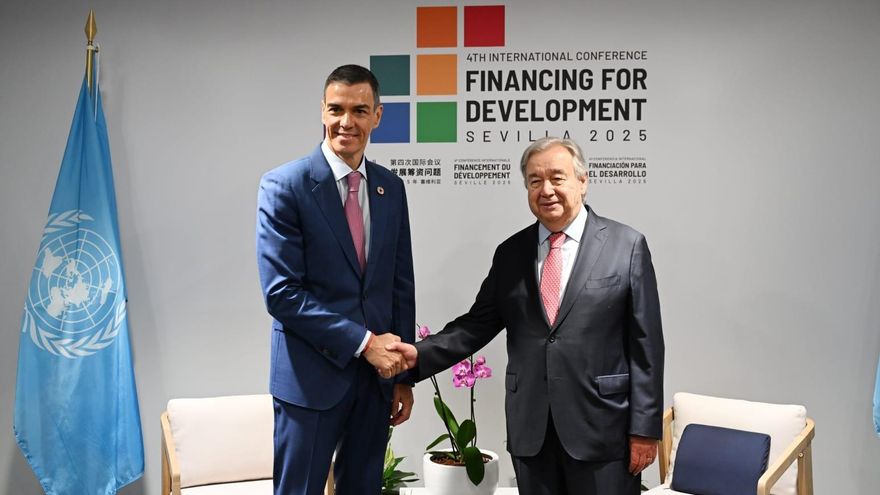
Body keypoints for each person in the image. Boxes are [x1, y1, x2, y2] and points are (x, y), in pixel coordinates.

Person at [388, 137, 664, 494]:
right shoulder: (511, 253)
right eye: (535, 181)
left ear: (583, 180)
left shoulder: (626, 246)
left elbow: (646, 346)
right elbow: (476, 325)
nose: (546, 189)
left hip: (603, 430)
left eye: (557, 177)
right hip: (532, 432)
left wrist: (644, 429)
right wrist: (417, 356)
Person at [256, 64, 415, 495]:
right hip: (310, 381)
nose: (347, 122)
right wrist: (365, 344)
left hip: (375, 383)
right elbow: (282, 294)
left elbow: (400, 285)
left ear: (377, 116)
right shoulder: (284, 186)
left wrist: (402, 374)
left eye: (360, 110)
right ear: (322, 113)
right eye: (336, 109)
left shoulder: (390, 188)